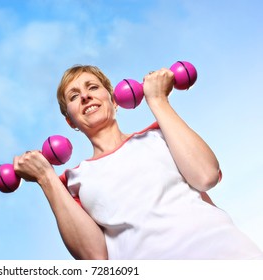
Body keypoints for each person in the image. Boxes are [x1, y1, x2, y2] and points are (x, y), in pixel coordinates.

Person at [13, 64, 263, 260]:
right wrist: (46, 178)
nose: (86, 97)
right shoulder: (73, 182)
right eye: (74, 96)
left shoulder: (160, 135)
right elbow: (94, 257)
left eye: (92, 87)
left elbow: (206, 175)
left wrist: (158, 100)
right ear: (70, 121)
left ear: (113, 99)